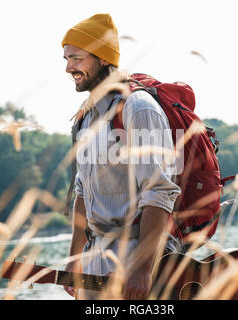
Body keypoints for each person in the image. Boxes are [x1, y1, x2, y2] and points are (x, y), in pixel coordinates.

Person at [61, 13, 181, 300]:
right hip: (95, 261)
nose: (68, 67)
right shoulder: (86, 117)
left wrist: (141, 270)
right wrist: (74, 258)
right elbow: (82, 193)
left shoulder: (138, 108)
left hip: (136, 262)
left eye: (76, 58)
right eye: (66, 58)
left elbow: (159, 192)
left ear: (103, 58)